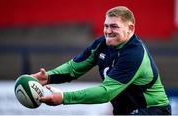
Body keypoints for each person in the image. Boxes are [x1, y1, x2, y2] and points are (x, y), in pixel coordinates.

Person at [31, 6, 171, 115]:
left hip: (153, 111)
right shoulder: (101, 44)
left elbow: (105, 93)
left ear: (130, 28)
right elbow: (74, 68)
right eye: (106, 26)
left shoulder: (134, 54)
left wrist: (64, 98)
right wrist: (48, 77)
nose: (108, 31)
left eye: (114, 26)